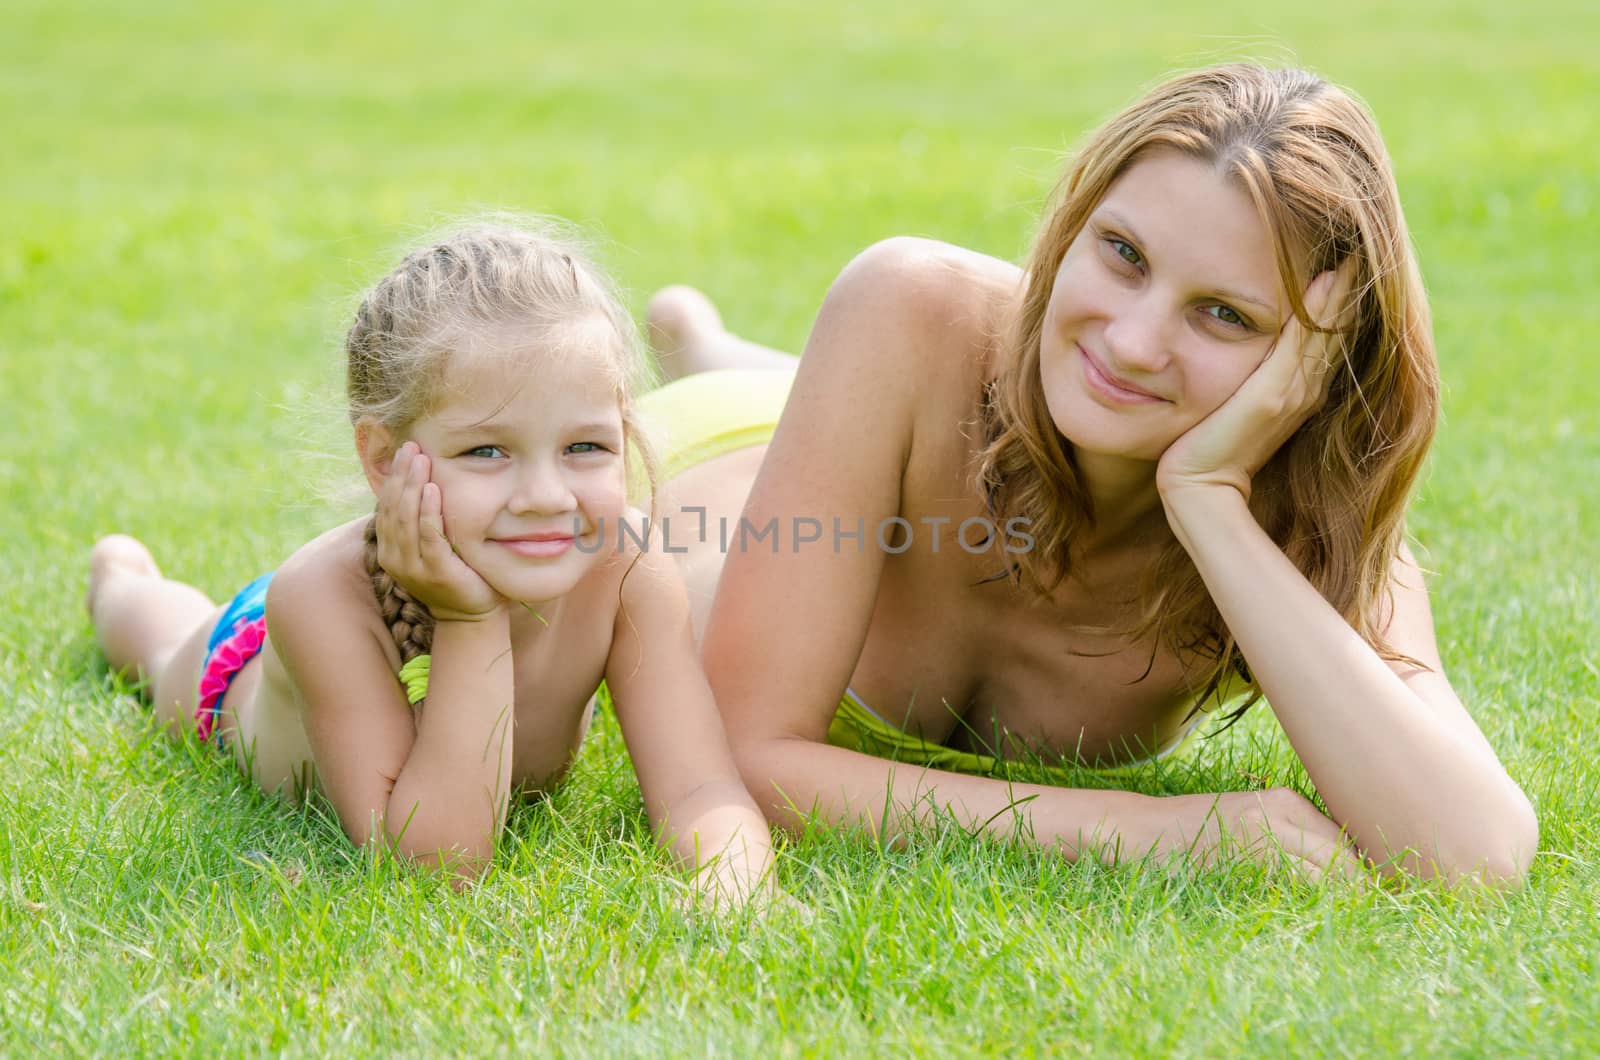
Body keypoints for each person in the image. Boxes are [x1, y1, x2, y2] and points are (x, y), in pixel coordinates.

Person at [640, 64, 1537, 887]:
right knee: (789, 385)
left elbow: (1474, 855)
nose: (1135, 341)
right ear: (1071, 227)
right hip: (712, 460)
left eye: (1223, 315)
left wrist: (1210, 504)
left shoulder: (1304, 520)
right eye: (1123, 254)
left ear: (1313, 367)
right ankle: (708, 353)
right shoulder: (907, 307)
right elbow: (739, 759)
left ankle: (723, 347)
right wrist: (1148, 828)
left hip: (914, 417)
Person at [87, 223, 778, 900]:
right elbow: (436, 862)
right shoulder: (320, 599)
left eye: (585, 448)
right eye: (486, 452)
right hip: (240, 658)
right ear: (385, 461)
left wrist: (731, 880)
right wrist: (468, 617)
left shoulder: (624, 566)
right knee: (159, 640)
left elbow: (699, 786)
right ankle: (121, 580)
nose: (544, 496)